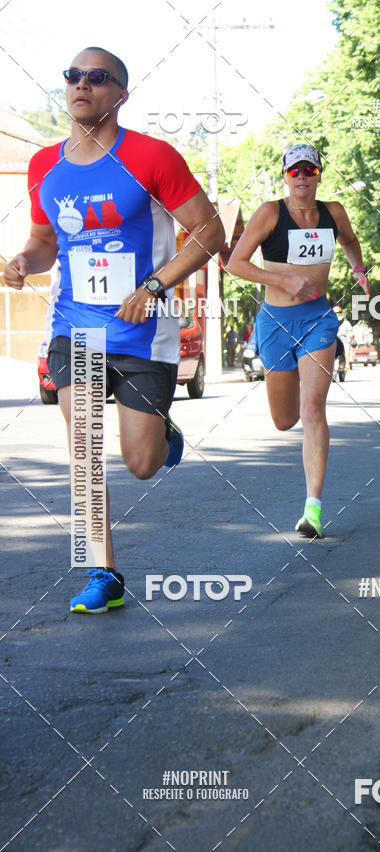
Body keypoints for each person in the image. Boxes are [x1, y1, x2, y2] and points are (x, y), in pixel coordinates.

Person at [3, 47, 224, 613]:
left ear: (120, 94)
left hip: (144, 329)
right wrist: (24, 261)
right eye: (72, 75)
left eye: (96, 78)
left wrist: (153, 286)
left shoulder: (152, 157)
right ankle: (103, 572)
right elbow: (45, 243)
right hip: (75, 327)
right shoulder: (43, 166)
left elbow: (208, 231)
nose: (81, 85)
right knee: (83, 448)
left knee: (141, 464)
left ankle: (162, 435)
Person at [227, 144, 369, 538]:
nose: (302, 176)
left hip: (317, 319)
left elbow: (350, 241)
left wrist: (358, 269)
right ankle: (311, 500)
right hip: (275, 320)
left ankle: (313, 508)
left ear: (319, 174)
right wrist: (282, 279)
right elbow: (234, 263)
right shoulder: (270, 213)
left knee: (312, 409)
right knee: (285, 419)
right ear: (286, 177)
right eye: (295, 171)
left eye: (309, 169)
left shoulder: (333, 212)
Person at [334, 304, 354, 375]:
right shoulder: (329, 322)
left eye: (339, 313)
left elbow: (351, 333)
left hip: (343, 340)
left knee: (347, 345)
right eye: (335, 314)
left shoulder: (346, 323)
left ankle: (347, 364)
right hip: (333, 340)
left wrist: (350, 335)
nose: (337, 315)